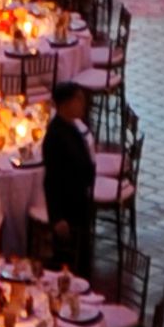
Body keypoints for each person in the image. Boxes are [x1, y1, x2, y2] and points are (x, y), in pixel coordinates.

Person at [37, 80, 99, 267]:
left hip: (80, 203)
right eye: (78, 99)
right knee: (68, 262)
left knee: (83, 258)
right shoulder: (55, 137)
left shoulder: (72, 127)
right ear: (66, 104)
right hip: (67, 210)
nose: (83, 104)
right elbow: (51, 180)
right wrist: (57, 218)